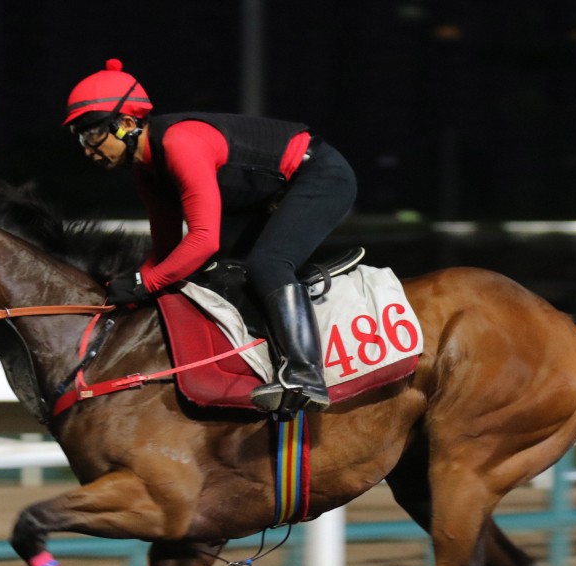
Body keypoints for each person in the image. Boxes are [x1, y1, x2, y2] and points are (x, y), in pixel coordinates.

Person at [63, 58, 358, 414]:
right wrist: (131, 286)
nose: (86, 150)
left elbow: (204, 241)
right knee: (221, 273)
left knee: (267, 263)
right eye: (79, 138)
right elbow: (167, 250)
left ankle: (306, 374)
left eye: (92, 134)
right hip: (273, 195)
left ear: (126, 124)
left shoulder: (180, 143)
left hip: (321, 175)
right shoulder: (147, 174)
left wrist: (145, 282)